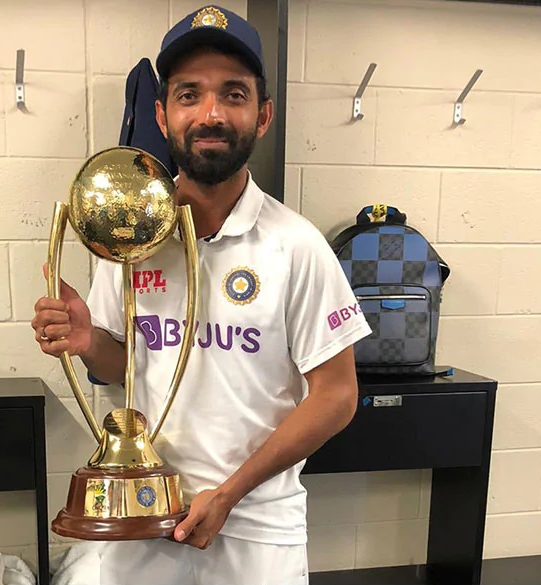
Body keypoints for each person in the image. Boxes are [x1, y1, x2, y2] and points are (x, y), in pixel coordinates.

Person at [32, 5, 371, 585]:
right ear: (162, 116)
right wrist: (90, 342)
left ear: (262, 116)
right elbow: (123, 368)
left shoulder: (297, 246)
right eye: (189, 95)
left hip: (257, 532)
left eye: (233, 94)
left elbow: (336, 396)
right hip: (141, 520)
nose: (211, 113)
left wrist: (231, 492)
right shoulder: (131, 238)